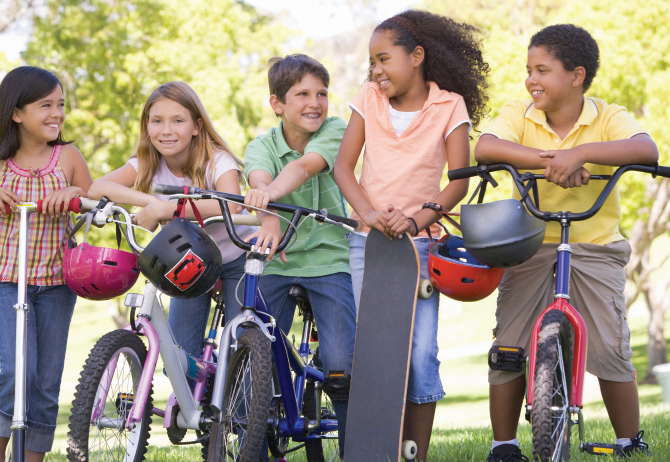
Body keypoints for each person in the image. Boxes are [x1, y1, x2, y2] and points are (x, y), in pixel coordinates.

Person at [474, 24, 658, 461]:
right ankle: (504, 445)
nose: (531, 79)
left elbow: (646, 150)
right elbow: (486, 147)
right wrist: (552, 160)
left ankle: (629, 440)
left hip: (596, 246)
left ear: (576, 76)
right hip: (531, 244)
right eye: (528, 70)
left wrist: (583, 154)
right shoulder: (520, 113)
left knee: (612, 345)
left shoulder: (608, 116)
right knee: (509, 345)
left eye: (542, 70)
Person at [334, 10, 490, 461]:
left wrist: (418, 221)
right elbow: (345, 167)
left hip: (419, 247)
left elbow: (458, 180)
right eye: (372, 62)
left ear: (416, 56)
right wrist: (367, 213)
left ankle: (412, 455)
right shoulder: (368, 97)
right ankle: (374, 450)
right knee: (378, 355)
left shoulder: (449, 106)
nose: (376, 70)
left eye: (384, 59)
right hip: (369, 244)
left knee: (420, 356)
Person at [0, 66, 93, 462]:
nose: (57, 113)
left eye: (60, 104)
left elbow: (91, 200)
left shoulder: (68, 156)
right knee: (17, 372)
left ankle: (32, 460)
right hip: (5, 280)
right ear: (16, 113)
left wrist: (73, 193)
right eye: (45, 105)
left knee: (46, 381)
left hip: (56, 282)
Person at [88, 81, 255, 359]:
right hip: (188, 262)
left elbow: (230, 205)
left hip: (237, 257)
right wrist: (153, 203)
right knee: (178, 357)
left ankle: (235, 392)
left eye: (178, 120)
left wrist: (168, 210)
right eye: (157, 121)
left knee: (242, 352)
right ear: (147, 126)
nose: (166, 130)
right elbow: (96, 188)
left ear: (197, 126)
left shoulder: (218, 160)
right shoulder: (148, 162)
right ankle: (197, 396)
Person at [242, 54, 356, 458]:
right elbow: (257, 176)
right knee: (251, 355)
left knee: (342, 364)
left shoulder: (335, 130)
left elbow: (307, 167)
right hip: (280, 262)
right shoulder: (263, 145)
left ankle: (354, 450)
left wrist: (270, 196)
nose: (315, 102)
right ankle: (251, 443)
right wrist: (264, 208)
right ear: (277, 104)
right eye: (302, 94)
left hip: (329, 259)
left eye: (322, 93)